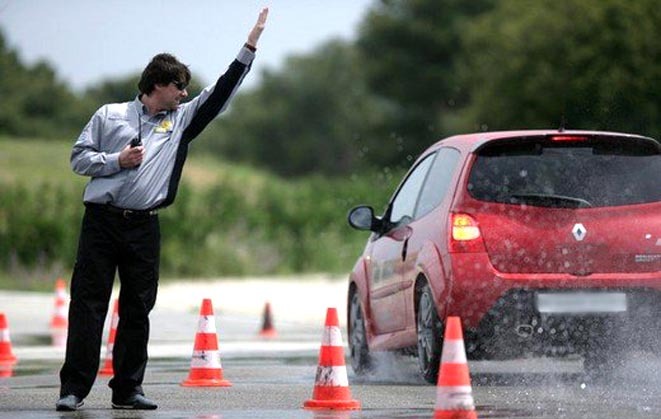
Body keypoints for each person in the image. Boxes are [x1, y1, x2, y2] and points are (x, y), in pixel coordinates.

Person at [56, 8, 269, 412]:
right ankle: (73, 390)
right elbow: (77, 159)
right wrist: (117, 160)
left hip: (144, 227)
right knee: (88, 305)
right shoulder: (108, 114)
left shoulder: (182, 120)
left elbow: (222, 91)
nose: (184, 94)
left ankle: (128, 390)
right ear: (158, 84)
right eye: (179, 87)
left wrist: (250, 45)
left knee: (138, 308)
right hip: (100, 224)